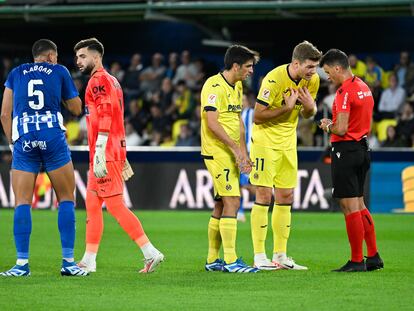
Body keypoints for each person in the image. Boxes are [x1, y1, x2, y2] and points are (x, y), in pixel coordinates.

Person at [74, 38, 164, 273]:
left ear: (96, 56)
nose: (78, 61)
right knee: (93, 204)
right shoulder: (112, 80)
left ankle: (150, 252)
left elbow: (106, 113)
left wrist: (102, 149)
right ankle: (89, 259)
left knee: (114, 205)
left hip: (106, 151)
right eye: (77, 57)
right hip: (108, 150)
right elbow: (116, 116)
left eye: (83, 56)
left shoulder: (99, 80)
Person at [0, 39, 88, 277]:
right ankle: (68, 262)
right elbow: (76, 108)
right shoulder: (58, 71)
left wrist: (11, 142)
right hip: (52, 137)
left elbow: (5, 114)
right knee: (67, 199)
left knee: (21, 202)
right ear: (51, 56)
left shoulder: (16, 73)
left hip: (25, 138)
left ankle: (21, 264)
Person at [250, 40, 321, 271]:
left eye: (315, 67)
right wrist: (286, 108)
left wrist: (312, 107)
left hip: (288, 142)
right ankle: (259, 256)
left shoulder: (313, 80)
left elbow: (309, 114)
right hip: (265, 141)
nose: (313, 72)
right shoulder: (273, 78)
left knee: (286, 196)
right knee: (263, 195)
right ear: (296, 63)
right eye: (310, 67)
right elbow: (257, 116)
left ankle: (280, 255)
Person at [319, 48, 383, 272]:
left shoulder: (344, 92)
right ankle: (373, 256)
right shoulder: (364, 87)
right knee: (359, 203)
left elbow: (342, 128)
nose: (327, 77)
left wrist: (328, 125)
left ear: (338, 68)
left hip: (345, 151)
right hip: (363, 148)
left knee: (348, 206)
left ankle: (357, 260)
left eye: (328, 72)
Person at [201, 45, 260, 273]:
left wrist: (244, 153)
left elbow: (238, 123)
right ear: (235, 66)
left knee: (221, 203)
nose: (251, 71)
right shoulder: (213, 85)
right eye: (248, 66)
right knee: (233, 201)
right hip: (217, 151)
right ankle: (231, 261)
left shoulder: (237, 86)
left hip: (231, 151)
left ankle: (212, 259)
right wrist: (236, 150)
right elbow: (212, 123)